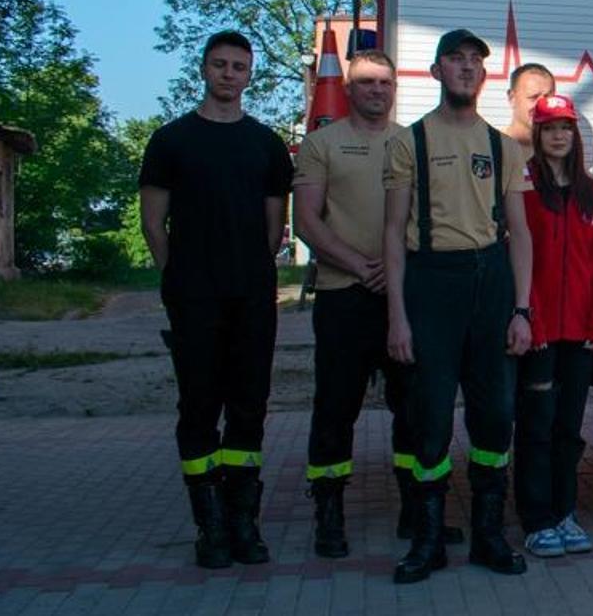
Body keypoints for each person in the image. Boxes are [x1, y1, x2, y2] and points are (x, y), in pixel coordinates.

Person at [295, 49, 464, 560]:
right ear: (349, 87)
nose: (376, 90)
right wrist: (357, 263)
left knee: (413, 409)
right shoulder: (322, 143)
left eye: (385, 82)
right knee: (335, 409)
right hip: (343, 296)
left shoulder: (415, 142)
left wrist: (394, 273)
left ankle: (416, 511)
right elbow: (307, 220)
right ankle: (328, 515)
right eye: (366, 82)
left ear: (396, 87)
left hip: (403, 298)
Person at [382, 28, 533, 583]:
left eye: (475, 61)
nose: (467, 67)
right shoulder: (410, 142)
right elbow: (393, 235)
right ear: (437, 71)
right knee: (430, 419)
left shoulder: (503, 146)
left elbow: (521, 234)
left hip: (490, 281)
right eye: (456, 59)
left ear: (483, 75)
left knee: (495, 415)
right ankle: (428, 540)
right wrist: (397, 315)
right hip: (431, 283)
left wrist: (522, 309)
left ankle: (489, 536)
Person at [138, 30, 294, 569]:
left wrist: (250, 270)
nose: (229, 74)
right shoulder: (170, 141)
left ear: (250, 75)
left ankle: (243, 522)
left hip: (251, 294)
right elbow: (153, 223)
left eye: (239, 67)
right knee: (199, 407)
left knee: (249, 407)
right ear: (203, 69)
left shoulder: (267, 144)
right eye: (220, 65)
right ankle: (209, 527)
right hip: (193, 296)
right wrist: (178, 277)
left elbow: (275, 229)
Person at [513, 95, 593, 559]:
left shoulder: (590, 192)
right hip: (538, 331)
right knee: (536, 427)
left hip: (579, 332)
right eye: (550, 127)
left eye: (565, 127)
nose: (558, 135)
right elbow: (519, 255)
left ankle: (565, 513)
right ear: (536, 133)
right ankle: (536, 520)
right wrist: (527, 317)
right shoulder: (523, 184)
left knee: (568, 429)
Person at [502, 63, 556, 151]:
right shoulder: (492, 147)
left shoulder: (559, 151)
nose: (541, 105)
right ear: (512, 98)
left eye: (548, 98)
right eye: (533, 97)